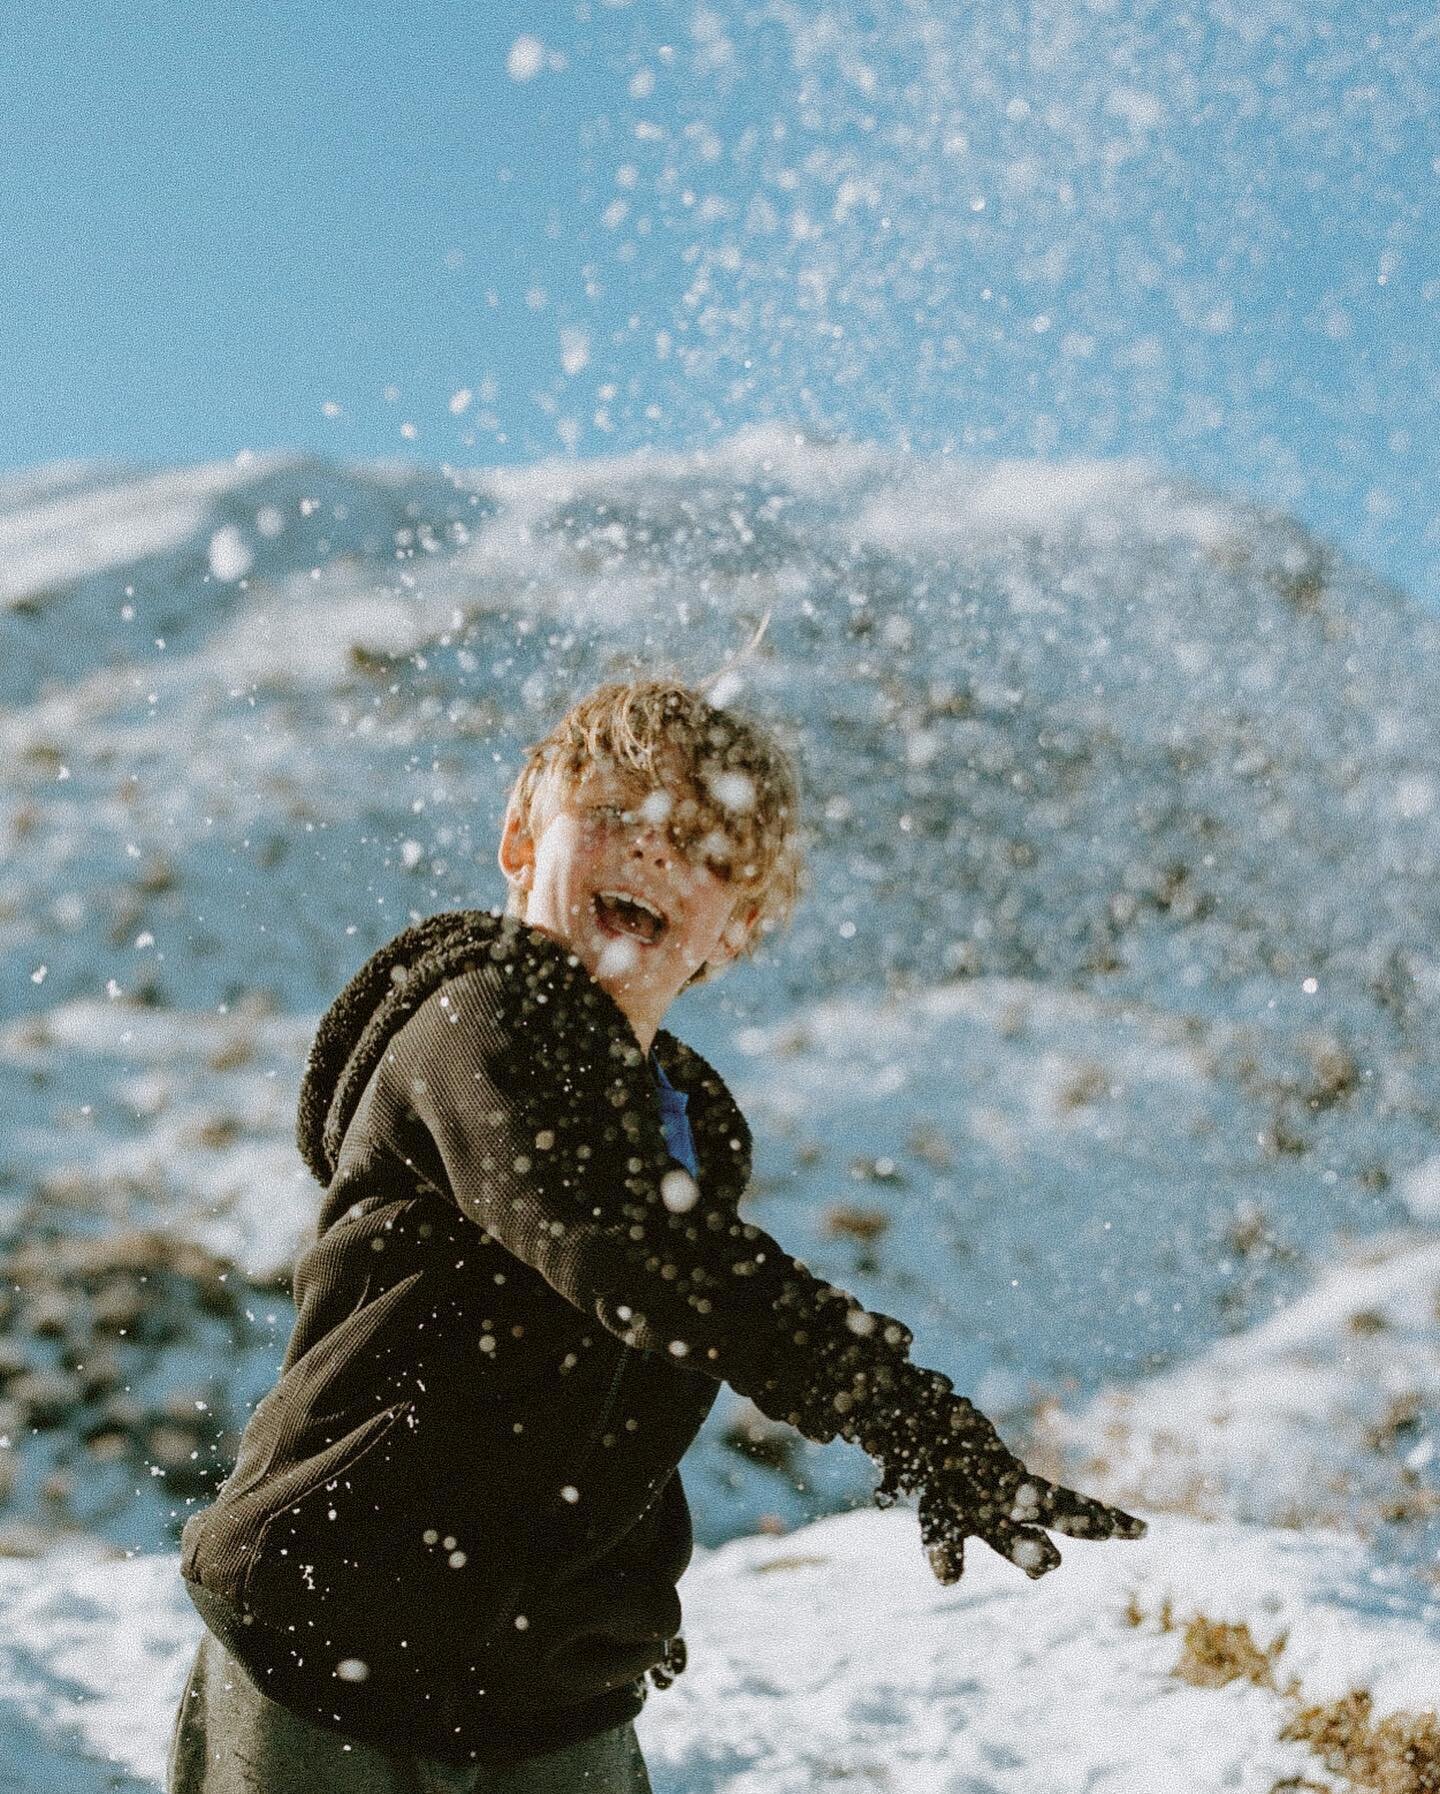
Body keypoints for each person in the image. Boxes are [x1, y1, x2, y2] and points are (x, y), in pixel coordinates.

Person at [168, 677, 1144, 1793]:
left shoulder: (688, 1125)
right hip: (321, 1656)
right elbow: (628, 1258)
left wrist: (614, 1584)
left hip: (542, 1692)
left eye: (706, 844)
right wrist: (901, 1406)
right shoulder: (476, 1019)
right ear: (522, 839)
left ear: (741, 928)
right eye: (619, 815)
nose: (654, 852)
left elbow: (616, 1379)